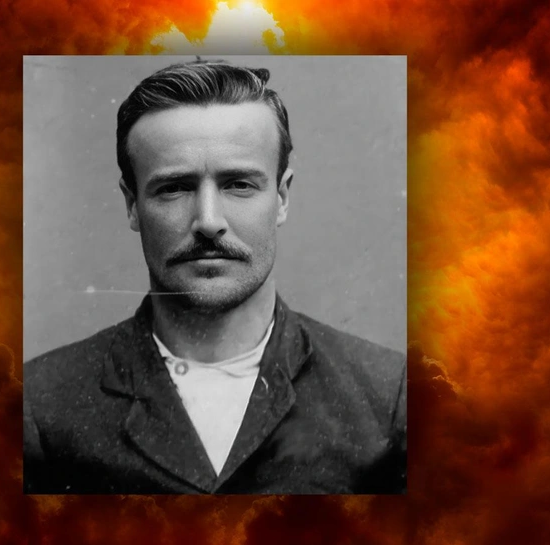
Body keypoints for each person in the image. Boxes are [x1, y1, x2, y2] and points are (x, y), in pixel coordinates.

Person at [23, 60, 406, 494]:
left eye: (239, 184)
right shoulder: (40, 404)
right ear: (132, 205)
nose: (208, 221)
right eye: (174, 188)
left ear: (281, 197)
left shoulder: (389, 395)